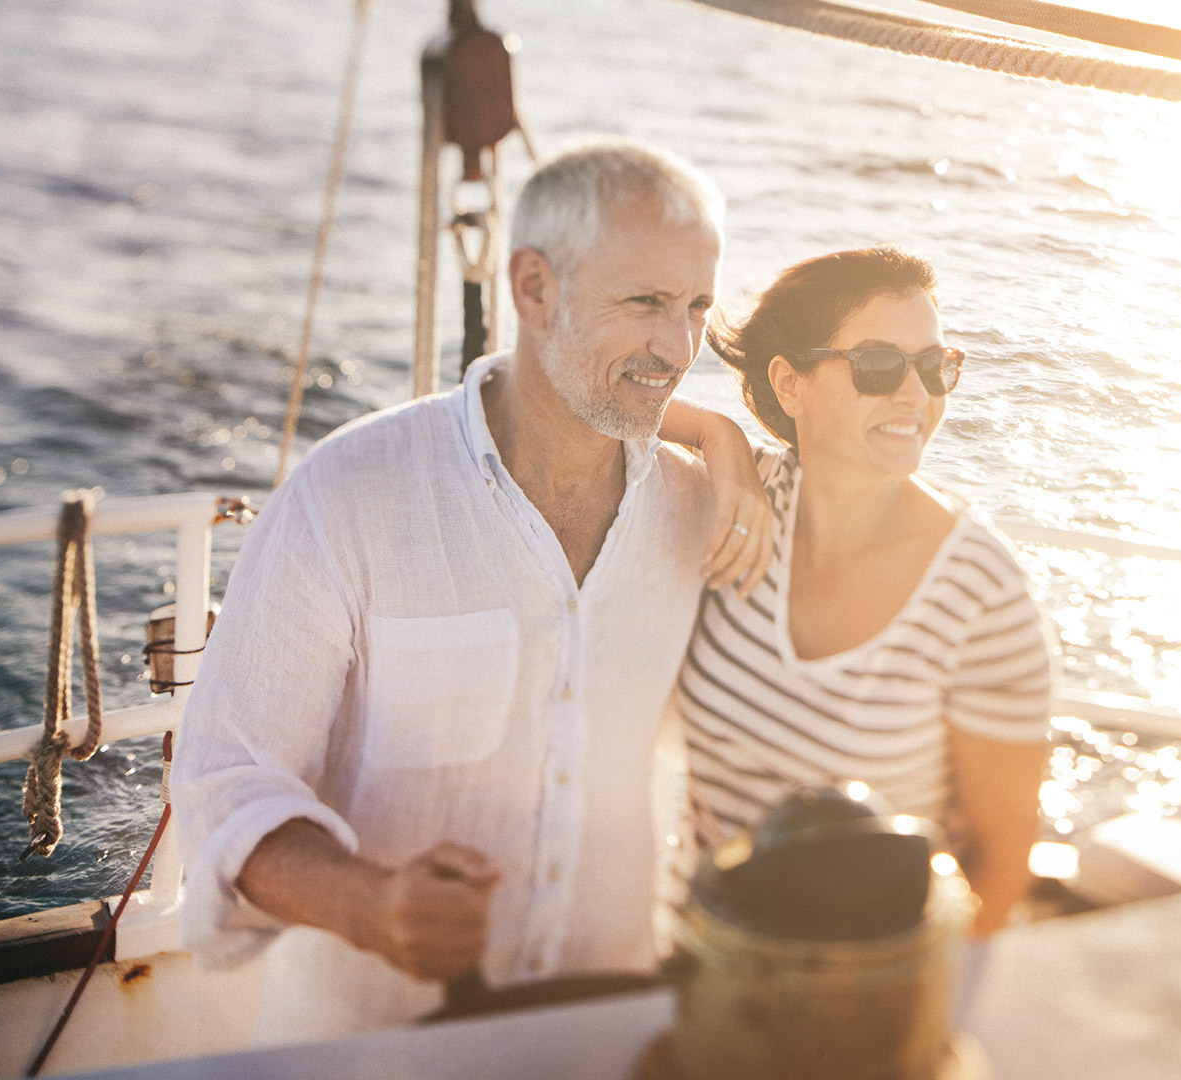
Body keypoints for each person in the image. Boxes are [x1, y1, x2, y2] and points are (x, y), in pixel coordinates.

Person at [169, 138, 770, 1040]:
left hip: (601, 1032)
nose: (678, 347)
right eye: (644, 302)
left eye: (695, 307)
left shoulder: (704, 508)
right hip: (366, 1046)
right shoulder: (348, 493)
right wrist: (369, 903)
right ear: (532, 288)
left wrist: (725, 438)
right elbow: (226, 779)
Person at [661, 246, 1053, 934]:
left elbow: (1002, 862)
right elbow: (578, 401)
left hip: (865, 986)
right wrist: (715, 433)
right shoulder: (733, 501)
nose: (916, 394)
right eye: (879, 365)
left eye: (936, 367)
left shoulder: (982, 593)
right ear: (790, 384)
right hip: (701, 957)